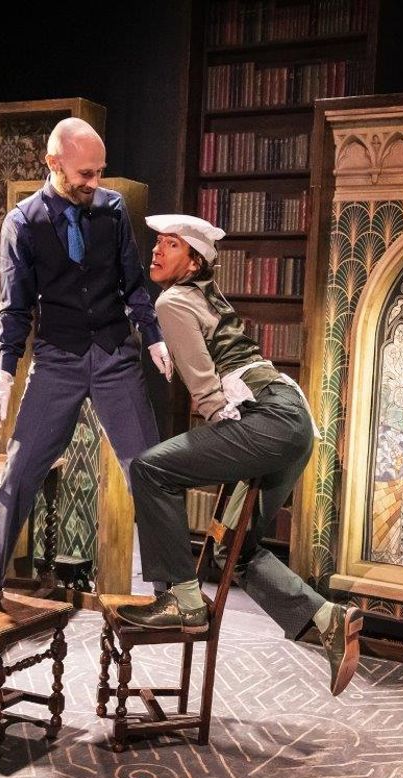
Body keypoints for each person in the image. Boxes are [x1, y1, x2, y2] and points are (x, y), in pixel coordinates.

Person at [115, 213, 363, 697]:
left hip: (267, 420)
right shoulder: (206, 293)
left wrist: (223, 434)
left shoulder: (172, 301)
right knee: (235, 548)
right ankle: (327, 617)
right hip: (292, 420)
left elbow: (206, 392)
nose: (157, 251)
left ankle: (181, 599)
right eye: (157, 243)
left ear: (192, 260)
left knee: (150, 469)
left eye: (169, 245)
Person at [0, 117, 172, 614]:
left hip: (116, 355)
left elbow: (133, 283)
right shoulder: (24, 222)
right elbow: (14, 309)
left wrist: (154, 337)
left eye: (100, 172)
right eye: (85, 174)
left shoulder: (113, 209)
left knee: (148, 470)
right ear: (53, 163)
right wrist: (5, 376)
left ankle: (170, 587)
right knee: (19, 471)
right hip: (58, 360)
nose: (94, 183)